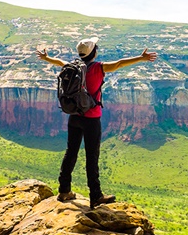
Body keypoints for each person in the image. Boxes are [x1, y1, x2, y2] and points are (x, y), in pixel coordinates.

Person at [36, 37, 157, 209]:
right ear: (94, 52)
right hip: (91, 119)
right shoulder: (99, 67)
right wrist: (141, 58)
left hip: (75, 116)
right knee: (92, 157)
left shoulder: (73, 67)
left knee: (71, 152)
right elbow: (120, 63)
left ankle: (64, 190)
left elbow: (59, 62)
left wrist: (46, 58)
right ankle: (96, 196)